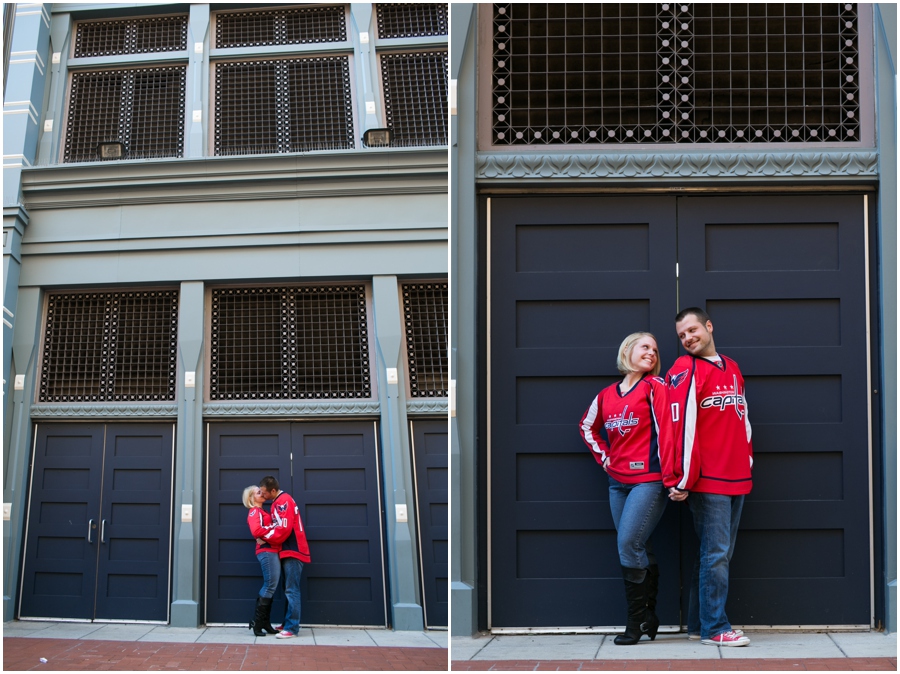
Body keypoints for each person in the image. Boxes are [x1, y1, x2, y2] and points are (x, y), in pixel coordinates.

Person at [664, 307, 752, 647]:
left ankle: (701, 626)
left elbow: (743, 417)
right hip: (707, 479)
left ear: (709, 326)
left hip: (736, 474)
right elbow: (679, 426)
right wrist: (681, 477)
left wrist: (747, 459)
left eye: (691, 330)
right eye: (682, 335)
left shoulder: (732, 367)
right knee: (715, 554)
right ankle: (716, 628)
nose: (687, 338)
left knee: (718, 555)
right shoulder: (685, 368)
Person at [579, 332, 674, 645]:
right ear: (627, 351)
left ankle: (636, 622)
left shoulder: (654, 386)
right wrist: (607, 460)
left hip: (649, 479)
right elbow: (586, 427)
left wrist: (672, 476)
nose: (651, 353)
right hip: (617, 483)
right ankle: (649, 617)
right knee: (639, 546)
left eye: (655, 350)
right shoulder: (606, 395)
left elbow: (668, 433)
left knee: (628, 541)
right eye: (645, 347)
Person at [258, 475, 311, 639]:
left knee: (291, 589)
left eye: (265, 493)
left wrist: (265, 537)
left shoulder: (283, 501)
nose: (263, 496)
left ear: (273, 490)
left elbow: (284, 529)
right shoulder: (278, 502)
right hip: (286, 550)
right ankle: (287, 623)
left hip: (293, 550)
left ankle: (292, 628)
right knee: (287, 588)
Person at [241, 485, 281, 636]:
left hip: (271, 550)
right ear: (251, 498)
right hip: (266, 551)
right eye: (258, 492)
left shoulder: (263, 511)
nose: (262, 493)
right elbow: (256, 531)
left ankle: (264, 622)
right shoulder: (254, 512)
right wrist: (274, 531)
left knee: (271, 585)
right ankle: (258, 623)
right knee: (270, 584)